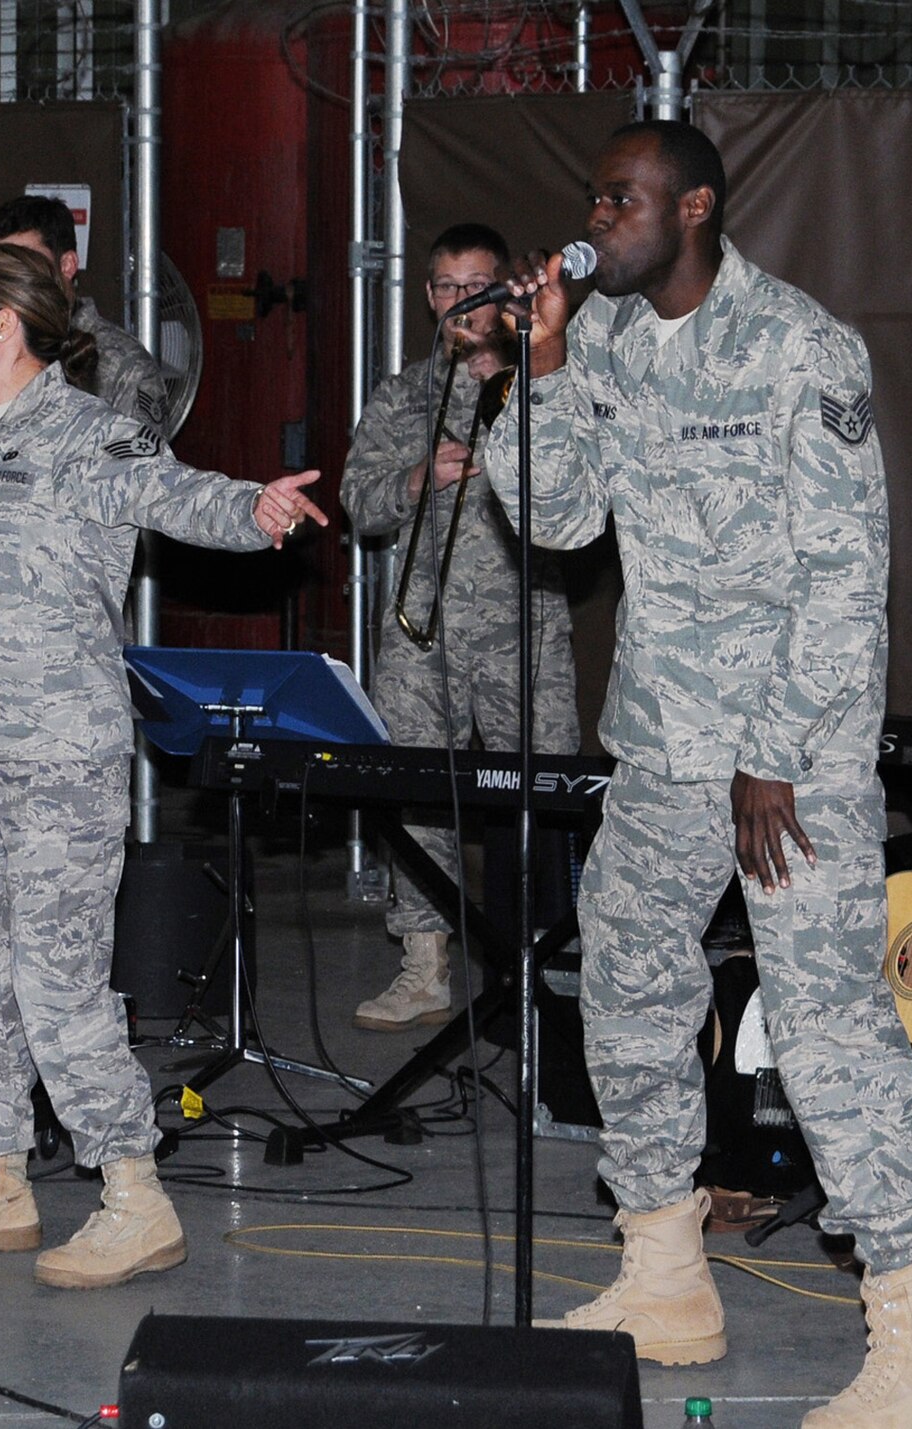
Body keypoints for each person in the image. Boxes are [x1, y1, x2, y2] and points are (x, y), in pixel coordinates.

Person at [487, 122, 912, 1426]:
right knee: (628, 968)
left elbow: (843, 580)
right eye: (595, 194)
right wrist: (537, 357)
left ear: (693, 207)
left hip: (786, 756)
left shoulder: (800, 347)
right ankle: (666, 1276)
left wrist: (773, 751)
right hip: (661, 741)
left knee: (823, 1022)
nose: (602, 216)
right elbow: (558, 518)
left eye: (625, 199)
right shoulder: (610, 341)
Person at [0, 243, 325, 1290]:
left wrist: (253, 509)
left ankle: (134, 1194)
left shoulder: (88, 433)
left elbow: (173, 495)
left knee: (56, 982)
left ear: (4, 324)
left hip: (58, 759)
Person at [338, 222, 579, 1031]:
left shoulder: (543, 379)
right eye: (443, 287)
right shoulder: (404, 395)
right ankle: (425, 961)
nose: (457, 303)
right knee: (416, 792)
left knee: (540, 794)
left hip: (523, 629)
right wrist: (413, 477)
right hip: (422, 632)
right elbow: (357, 503)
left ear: (507, 288)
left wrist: (514, 377)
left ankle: (546, 961)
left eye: (473, 285)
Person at [0, 193, 170, 434]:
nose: (13, 279)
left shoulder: (122, 365)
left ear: (67, 265)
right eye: (0, 268)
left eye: (27, 265)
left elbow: (142, 466)